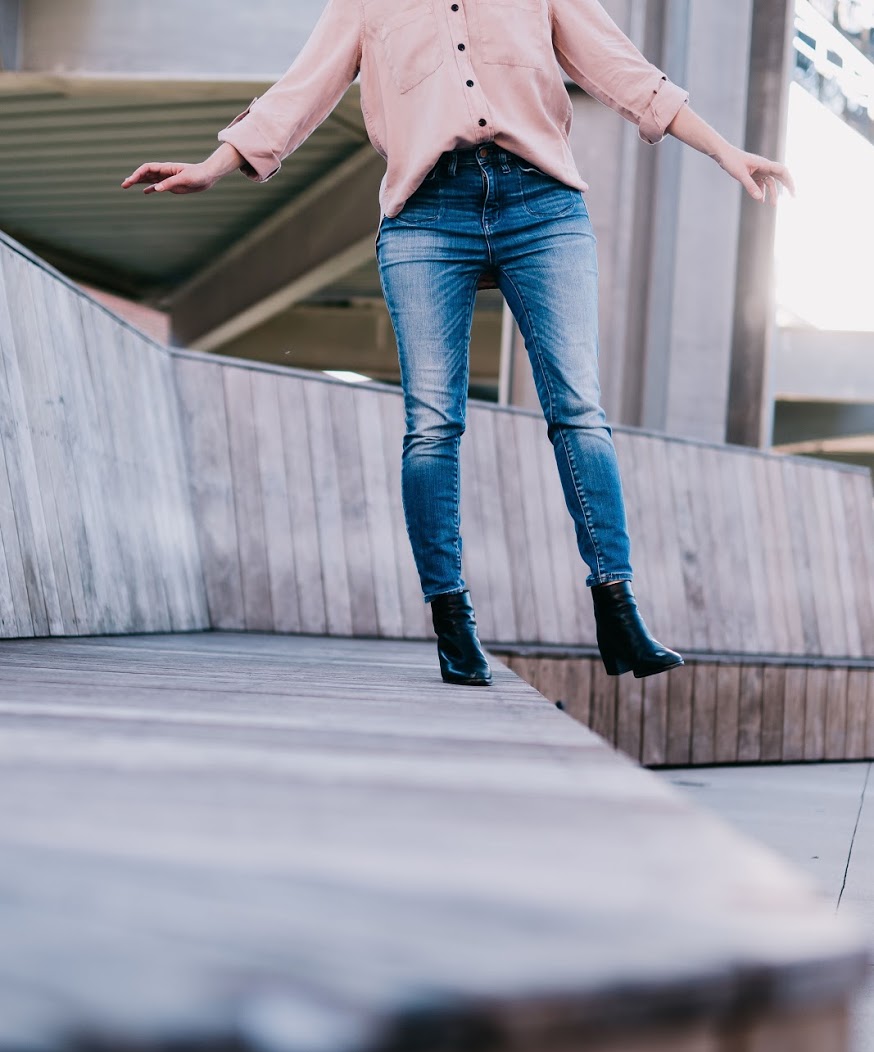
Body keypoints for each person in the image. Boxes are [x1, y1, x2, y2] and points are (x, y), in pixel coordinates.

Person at [123, 0, 795, 688]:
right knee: (432, 426)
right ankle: (452, 621)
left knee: (578, 410)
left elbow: (626, 75)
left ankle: (618, 606)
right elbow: (302, 90)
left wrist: (725, 150)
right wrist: (214, 164)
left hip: (542, 206)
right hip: (425, 217)